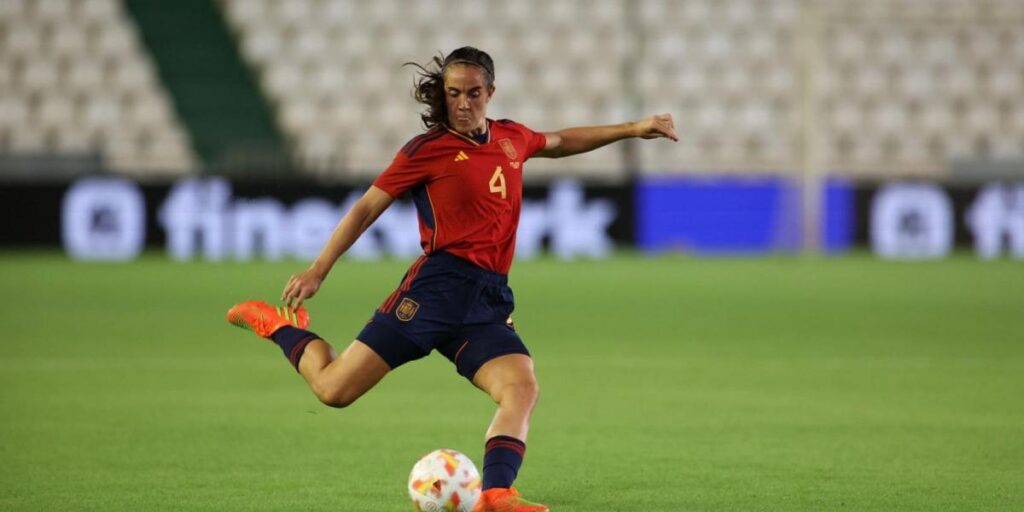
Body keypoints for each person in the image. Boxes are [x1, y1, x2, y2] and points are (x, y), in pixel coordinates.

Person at [227, 46, 677, 512]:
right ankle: (281, 326)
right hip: (434, 291)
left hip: (487, 299)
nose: (463, 104)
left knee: (521, 388)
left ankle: (497, 494)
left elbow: (561, 141)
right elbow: (365, 209)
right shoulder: (427, 150)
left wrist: (632, 128)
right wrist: (318, 268)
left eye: (473, 94)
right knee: (333, 391)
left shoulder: (510, 138)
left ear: (491, 93)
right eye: (454, 93)